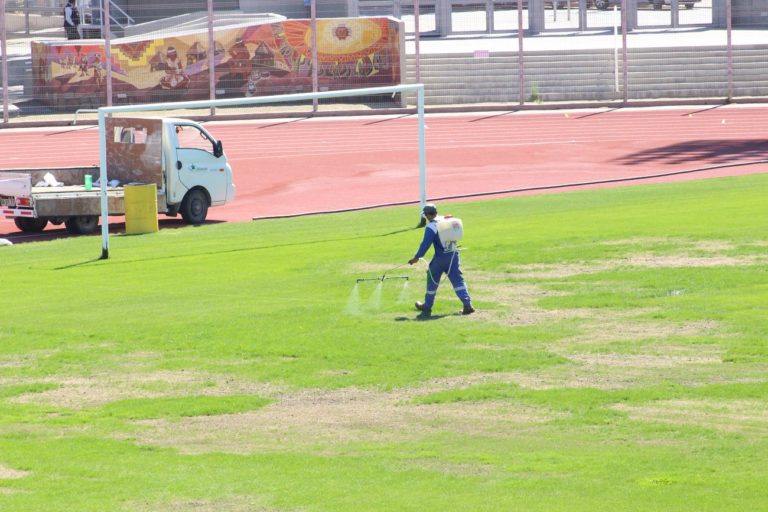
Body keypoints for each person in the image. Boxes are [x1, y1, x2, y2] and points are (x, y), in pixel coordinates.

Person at [408, 203, 475, 318]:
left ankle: (427, 305)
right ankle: (467, 304)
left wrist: (417, 257)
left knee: (432, 278)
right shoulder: (445, 219)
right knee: (458, 280)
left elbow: (425, 244)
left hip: (441, 258)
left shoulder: (431, 226)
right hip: (453, 255)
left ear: (428, 215)